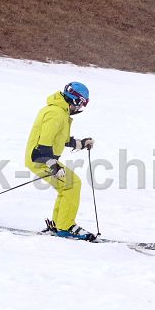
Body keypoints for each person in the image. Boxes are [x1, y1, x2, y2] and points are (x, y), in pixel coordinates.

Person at [25, 82, 96, 240]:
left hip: (45, 159)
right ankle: (65, 226)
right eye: (82, 103)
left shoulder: (60, 112)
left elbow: (61, 139)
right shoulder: (55, 114)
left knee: (68, 186)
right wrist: (53, 165)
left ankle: (59, 225)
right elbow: (43, 145)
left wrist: (81, 143)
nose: (81, 107)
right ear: (75, 100)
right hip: (40, 159)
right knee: (72, 184)